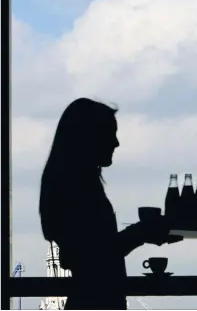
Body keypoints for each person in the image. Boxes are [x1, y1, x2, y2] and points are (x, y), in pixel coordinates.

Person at [39, 98, 181, 310]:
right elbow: (92, 256)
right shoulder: (80, 186)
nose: (116, 143)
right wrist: (141, 233)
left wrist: (140, 233)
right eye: (109, 134)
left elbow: (82, 253)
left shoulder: (66, 183)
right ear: (89, 138)